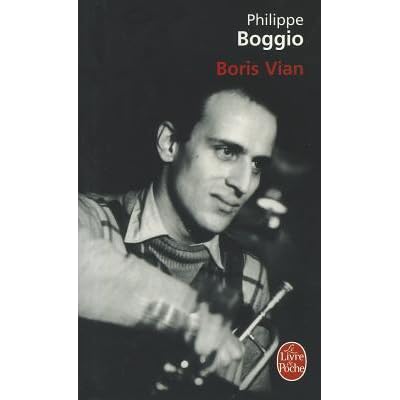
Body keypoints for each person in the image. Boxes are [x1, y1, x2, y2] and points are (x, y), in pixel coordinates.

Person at [79, 84, 283, 399]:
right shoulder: (91, 219)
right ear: (170, 144)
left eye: (257, 165)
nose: (243, 185)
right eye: (227, 151)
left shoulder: (250, 275)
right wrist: (194, 315)